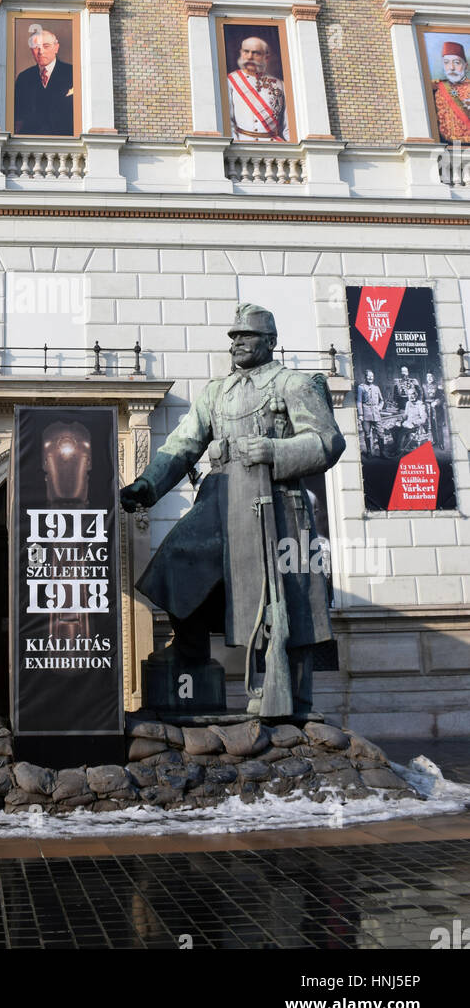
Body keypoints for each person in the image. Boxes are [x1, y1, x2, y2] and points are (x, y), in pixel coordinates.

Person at [120, 303, 345, 719]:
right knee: (175, 562)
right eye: (234, 336)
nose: (237, 342)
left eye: (247, 335)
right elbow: (183, 445)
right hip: (220, 499)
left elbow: (327, 442)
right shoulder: (215, 392)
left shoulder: (294, 384)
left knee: (280, 599)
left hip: (272, 504)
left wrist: (276, 450)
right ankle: (188, 649)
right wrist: (148, 485)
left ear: (271, 342)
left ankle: (285, 695)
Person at [13, 24, 75, 135]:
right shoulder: (24, 78)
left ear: (56, 48)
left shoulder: (73, 73)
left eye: (46, 46)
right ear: (31, 50)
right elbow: (17, 117)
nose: (40, 52)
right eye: (36, 47)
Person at [227, 35, 287, 141]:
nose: (250, 57)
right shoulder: (231, 80)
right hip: (242, 143)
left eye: (256, 53)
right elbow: (228, 120)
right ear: (241, 53)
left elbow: (289, 127)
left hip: (273, 145)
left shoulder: (280, 84)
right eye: (246, 51)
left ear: (266, 57)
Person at [432, 40, 470, 142]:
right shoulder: (438, 87)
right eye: (446, 63)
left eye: (457, 63)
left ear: (465, 66)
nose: (451, 68)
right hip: (446, 147)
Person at [356, 369, 386, 458]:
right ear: (365, 377)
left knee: (381, 433)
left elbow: (382, 400)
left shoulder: (376, 388)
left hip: (376, 413)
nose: (370, 378)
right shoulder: (361, 387)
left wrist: (379, 407)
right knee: (367, 434)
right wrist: (360, 414)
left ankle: (382, 452)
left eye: (372, 376)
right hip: (366, 413)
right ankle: (369, 452)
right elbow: (359, 401)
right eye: (368, 376)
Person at [400, 382, 430, 452]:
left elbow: (423, 419)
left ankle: (399, 450)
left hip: (416, 426)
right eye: (409, 394)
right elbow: (406, 415)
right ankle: (396, 448)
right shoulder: (408, 403)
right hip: (407, 424)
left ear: (416, 395)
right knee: (395, 428)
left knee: (401, 432)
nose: (411, 396)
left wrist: (414, 423)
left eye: (413, 394)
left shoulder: (420, 404)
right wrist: (400, 420)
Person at [422, 371, 447, 449]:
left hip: (437, 409)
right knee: (431, 426)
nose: (429, 378)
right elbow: (422, 397)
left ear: (434, 377)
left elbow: (443, 397)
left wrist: (436, 402)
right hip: (427, 408)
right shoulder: (424, 386)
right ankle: (435, 441)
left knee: (438, 426)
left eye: (431, 376)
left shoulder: (438, 386)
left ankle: (441, 443)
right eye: (428, 377)